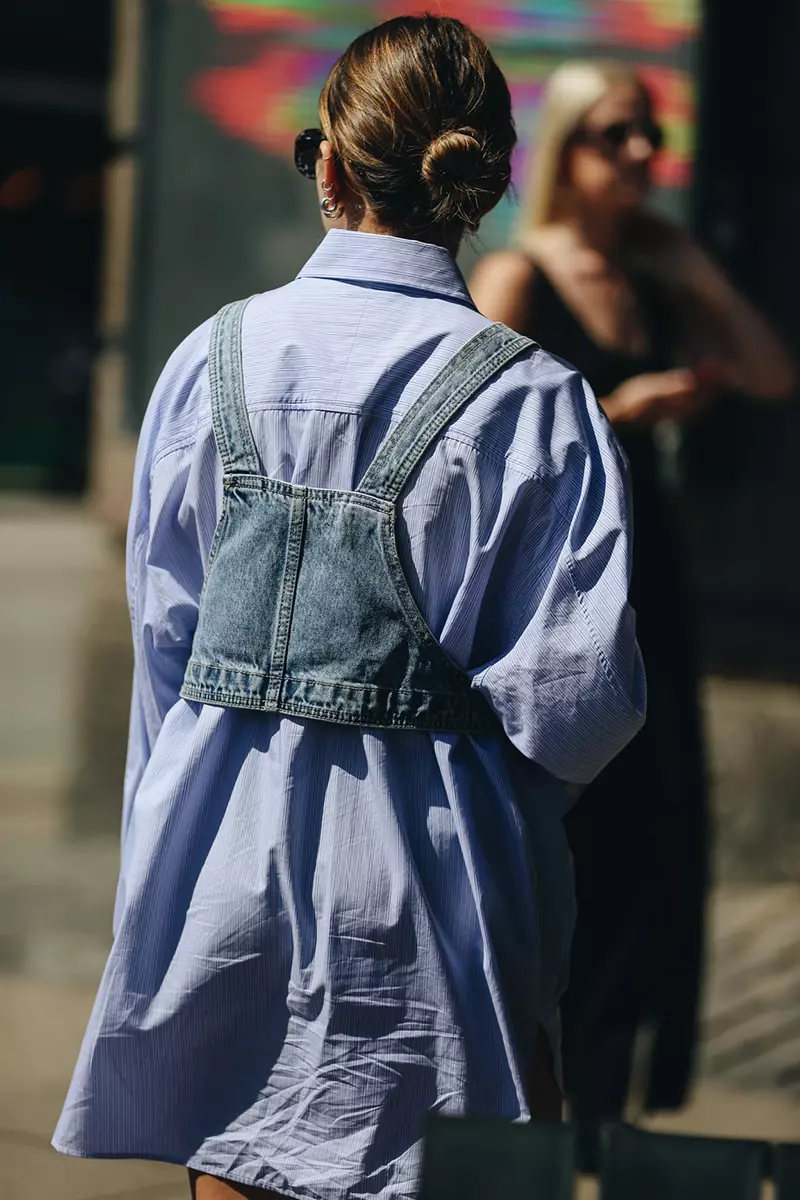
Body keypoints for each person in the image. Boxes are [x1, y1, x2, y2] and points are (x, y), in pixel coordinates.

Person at [54, 23, 645, 1199]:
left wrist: (157, 878)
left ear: (327, 167)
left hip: (220, 880)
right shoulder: (535, 400)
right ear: (484, 183)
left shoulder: (208, 361)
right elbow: (583, 707)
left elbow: (165, 660)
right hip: (436, 907)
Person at [470, 59, 795, 1124]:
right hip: (556, 588)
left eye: (649, 135)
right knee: (580, 845)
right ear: (564, 149)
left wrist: (693, 269)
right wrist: (620, 414)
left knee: (656, 846)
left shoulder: (650, 275)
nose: (641, 157)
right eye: (615, 135)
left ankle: (606, 1108)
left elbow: (766, 371)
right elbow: (472, 445)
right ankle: (539, 1103)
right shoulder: (520, 278)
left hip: (647, 578)